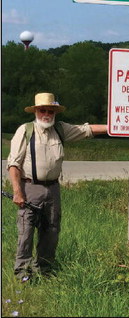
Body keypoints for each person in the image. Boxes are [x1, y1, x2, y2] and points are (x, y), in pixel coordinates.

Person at [7, 92, 107, 281]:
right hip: (30, 188)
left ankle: (45, 270)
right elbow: (13, 164)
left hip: (53, 190)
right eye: (43, 110)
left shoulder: (60, 129)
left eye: (50, 111)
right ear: (36, 111)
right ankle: (22, 272)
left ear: (55, 112)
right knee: (26, 231)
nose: (47, 114)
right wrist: (17, 192)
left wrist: (116, 127)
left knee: (51, 231)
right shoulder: (25, 130)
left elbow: (87, 130)